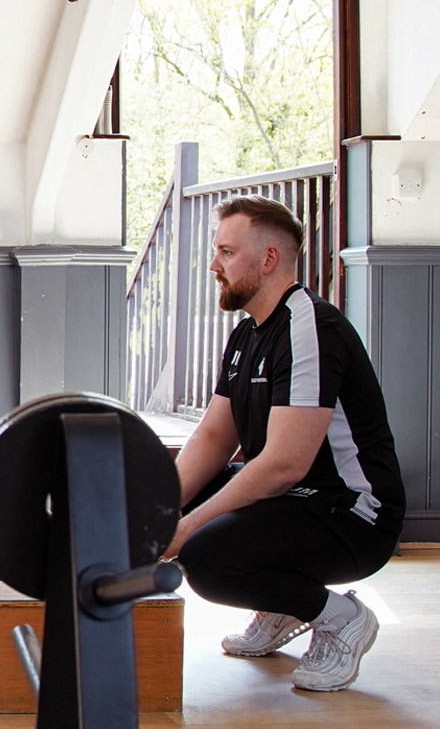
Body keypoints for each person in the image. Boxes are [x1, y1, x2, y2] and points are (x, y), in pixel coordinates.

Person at [163, 195, 404, 692]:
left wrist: (184, 531)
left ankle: (340, 617)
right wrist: (159, 513)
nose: (215, 265)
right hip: (296, 504)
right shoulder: (248, 334)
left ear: (269, 259)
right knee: (187, 504)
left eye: (227, 252)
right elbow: (213, 437)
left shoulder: (310, 326)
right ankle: (280, 601)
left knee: (207, 557)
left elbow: (283, 466)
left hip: (354, 516)